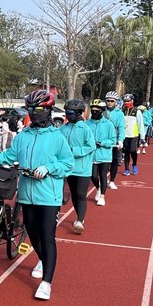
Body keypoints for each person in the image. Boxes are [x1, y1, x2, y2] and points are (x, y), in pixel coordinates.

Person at [0, 89, 73, 300]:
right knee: (31, 232)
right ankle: (41, 259)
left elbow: (67, 163)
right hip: (26, 194)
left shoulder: (57, 136)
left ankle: (47, 282)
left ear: (48, 110)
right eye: (30, 109)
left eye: (38, 109)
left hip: (49, 195)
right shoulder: (24, 135)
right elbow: (10, 155)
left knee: (47, 237)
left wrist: (48, 168)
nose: (34, 113)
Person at [60, 99, 95, 233]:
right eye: (67, 113)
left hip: (82, 169)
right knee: (74, 194)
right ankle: (79, 215)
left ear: (80, 113)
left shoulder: (85, 128)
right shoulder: (63, 128)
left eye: (71, 113)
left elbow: (90, 146)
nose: (68, 115)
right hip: (68, 169)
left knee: (80, 194)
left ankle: (80, 220)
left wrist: (73, 151)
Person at [86, 100, 116, 207]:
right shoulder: (87, 124)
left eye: (97, 111)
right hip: (91, 155)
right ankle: (98, 188)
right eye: (92, 111)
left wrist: (102, 143)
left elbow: (113, 140)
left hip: (104, 155)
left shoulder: (108, 124)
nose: (94, 113)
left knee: (103, 175)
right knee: (93, 176)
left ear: (102, 111)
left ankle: (102, 196)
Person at [104, 91, 125, 191]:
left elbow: (121, 127)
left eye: (112, 101)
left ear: (116, 102)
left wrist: (120, 140)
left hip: (114, 141)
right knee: (103, 162)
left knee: (114, 161)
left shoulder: (119, 114)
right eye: (108, 101)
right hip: (103, 140)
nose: (110, 103)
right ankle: (102, 180)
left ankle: (111, 180)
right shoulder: (102, 111)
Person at [121, 94, 143, 175]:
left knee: (133, 151)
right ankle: (126, 169)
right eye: (125, 101)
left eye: (128, 101)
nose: (126, 103)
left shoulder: (137, 111)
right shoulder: (121, 111)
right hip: (124, 135)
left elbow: (140, 124)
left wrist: (142, 137)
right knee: (126, 152)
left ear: (132, 101)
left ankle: (134, 164)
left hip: (134, 135)